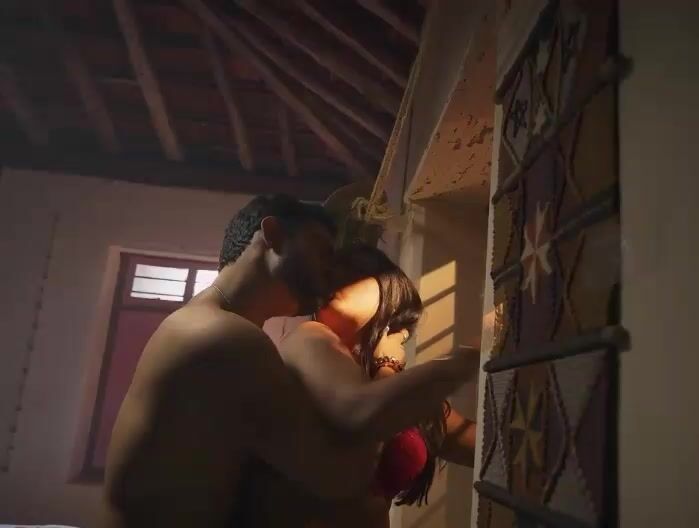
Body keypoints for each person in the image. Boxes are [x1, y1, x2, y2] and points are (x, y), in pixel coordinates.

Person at [103, 195, 480, 528]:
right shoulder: (225, 339)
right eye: (322, 253)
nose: (328, 273)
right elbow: (339, 474)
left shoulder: (215, 328)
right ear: (273, 236)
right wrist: (459, 361)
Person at [231, 244, 478, 528]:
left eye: (357, 269)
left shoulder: (402, 396)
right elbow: (362, 419)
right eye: (328, 273)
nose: (335, 278)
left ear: (390, 292)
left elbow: (486, 447)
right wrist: (392, 365)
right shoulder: (309, 337)